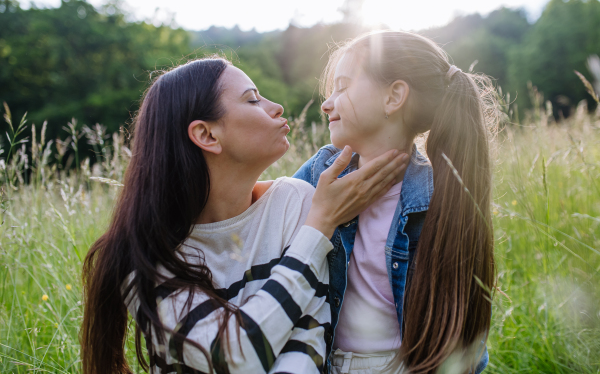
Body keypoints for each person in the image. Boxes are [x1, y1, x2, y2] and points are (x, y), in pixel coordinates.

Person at [80, 57, 409, 374]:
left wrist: (316, 221)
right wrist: (318, 228)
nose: (276, 107)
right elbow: (237, 358)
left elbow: (307, 345)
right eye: (253, 100)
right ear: (208, 135)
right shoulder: (143, 258)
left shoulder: (295, 205)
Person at [294, 30, 498, 374]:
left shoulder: (440, 193)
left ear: (394, 97)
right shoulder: (318, 174)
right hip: (322, 364)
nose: (327, 103)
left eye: (342, 86)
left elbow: (464, 330)